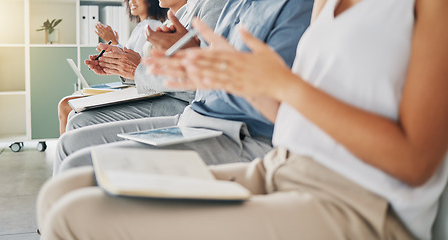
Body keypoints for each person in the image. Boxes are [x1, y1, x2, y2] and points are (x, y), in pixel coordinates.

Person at [38, 0, 448, 239]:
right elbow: (293, 116)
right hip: (281, 166)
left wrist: (284, 85)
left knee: (71, 216)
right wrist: (220, 73)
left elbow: (415, 163)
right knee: (63, 190)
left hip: (357, 202)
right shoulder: (325, 4)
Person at [52, 0, 314, 176]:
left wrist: (172, 63)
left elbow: (267, 94)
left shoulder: (292, 7)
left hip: (232, 128)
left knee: (75, 149)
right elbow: (203, 75)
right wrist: (176, 59)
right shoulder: (233, 4)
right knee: (72, 142)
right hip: (197, 114)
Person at [63, 0, 223, 132]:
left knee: (78, 121)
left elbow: (198, 82)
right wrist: (120, 65)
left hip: (181, 103)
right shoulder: (177, 18)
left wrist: (137, 68)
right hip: (162, 94)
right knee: (73, 115)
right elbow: (149, 68)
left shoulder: (209, 9)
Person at [57, 0, 168, 135]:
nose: (132, 1)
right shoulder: (140, 27)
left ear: (150, 2)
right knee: (71, 102)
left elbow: (137, 64)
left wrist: (114, 42)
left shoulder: (151, 26)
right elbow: (131, 61)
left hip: (139, 90)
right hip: (135, 86)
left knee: (65, 105)